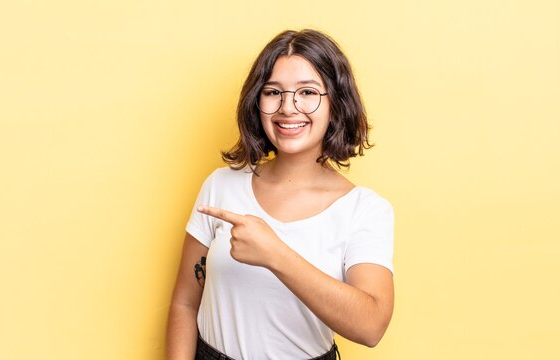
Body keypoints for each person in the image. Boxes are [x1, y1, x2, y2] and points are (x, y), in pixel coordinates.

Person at [167, 29, 394, 360]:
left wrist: (274, 253)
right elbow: (185, 303)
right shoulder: (220, 185)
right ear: (256, 101)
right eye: (273, 91)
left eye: (308, 92)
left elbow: (371, 327)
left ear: (337, 104)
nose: (288, 107)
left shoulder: (365, 210)